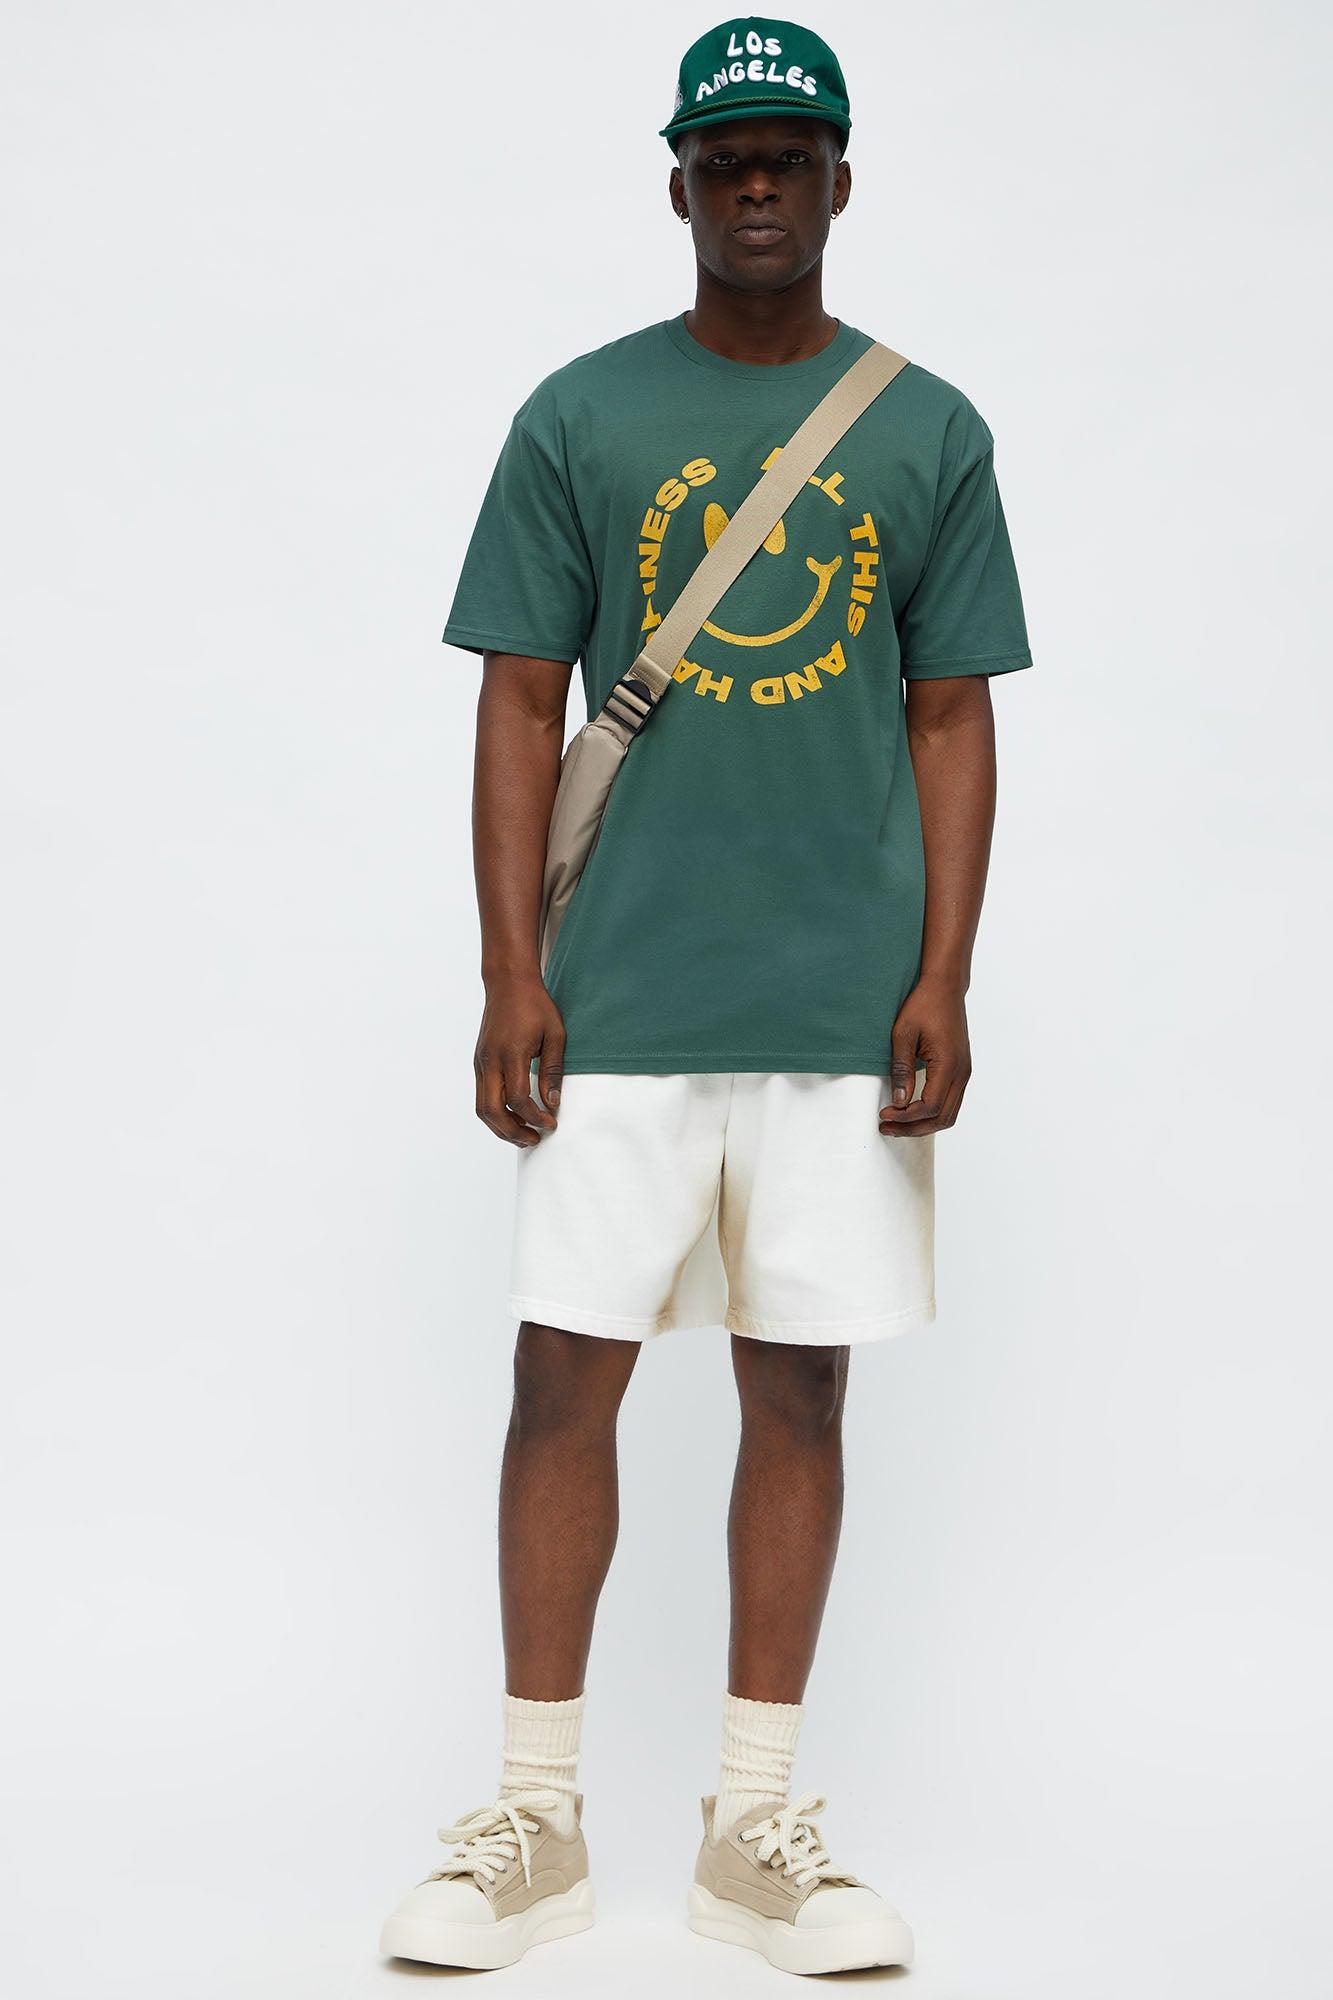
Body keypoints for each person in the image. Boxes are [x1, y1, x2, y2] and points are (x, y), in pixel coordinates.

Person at [380, 14, 1031, 1977]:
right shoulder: (580, 416)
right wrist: (510, 967)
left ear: (840, 182)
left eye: (788, 157)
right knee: (562, 1376)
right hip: (621, 992)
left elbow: (948, 714)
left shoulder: (926, 428)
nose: (757, 185)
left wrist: (942, 973)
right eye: (725, 157)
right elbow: (518, 700)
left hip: (840, 999)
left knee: (799, 1383)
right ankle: (536, 1819)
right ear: (676, 183)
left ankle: (754, 1828)